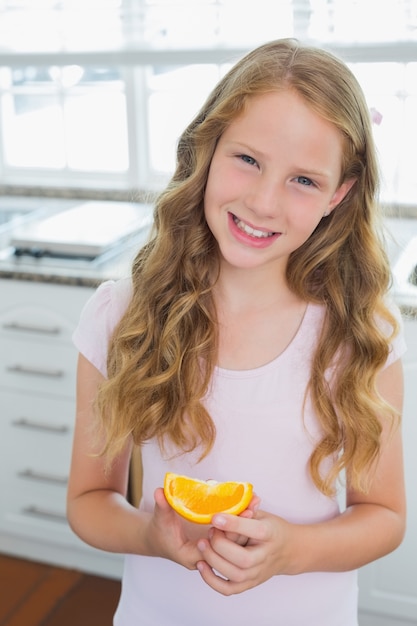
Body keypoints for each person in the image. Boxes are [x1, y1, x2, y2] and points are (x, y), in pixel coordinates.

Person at [67, 38, 407, 625]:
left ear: (339, 195)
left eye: (304, 180)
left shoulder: (362, 331)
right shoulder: (121, 316)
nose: (263, 202)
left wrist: (294, 551)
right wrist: (150, 535)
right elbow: (88, 501)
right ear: (207, 148)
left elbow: (385, 517)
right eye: (247, 159)